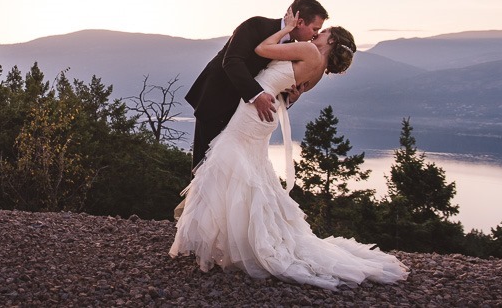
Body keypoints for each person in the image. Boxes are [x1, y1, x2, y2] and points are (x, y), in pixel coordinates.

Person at [170, 23, 409, 289]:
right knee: (246, 173)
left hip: (253, 114)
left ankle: (231, 241)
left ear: (332, 41)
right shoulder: (318, 70)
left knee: (228, 165)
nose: (319, 33)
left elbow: (262, 49)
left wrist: (288, 29)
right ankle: (236, 239)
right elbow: (288, 92)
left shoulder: (308, 51)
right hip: (263, 115)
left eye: (325, 31)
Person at [185, 0, 328, 168]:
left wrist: (290, 98)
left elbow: (272, 79)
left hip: (242, 115)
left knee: (227, 171)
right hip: (216, 101)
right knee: (203, 168)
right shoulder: (257, 25)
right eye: (315, 29)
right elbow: (232, 61)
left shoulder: (292, 46)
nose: (316, 34)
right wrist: (257, 95)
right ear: (300, 22)